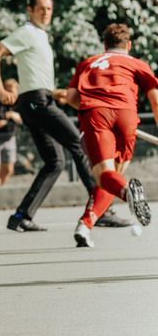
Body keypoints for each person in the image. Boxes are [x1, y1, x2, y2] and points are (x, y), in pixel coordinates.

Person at [0, 0, 130, 231]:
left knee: (55, 162)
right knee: (80, 146)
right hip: (36, 103)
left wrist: (54, 93)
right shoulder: (27, 32)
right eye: (41, 8)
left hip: (39, 100)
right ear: (30, 10)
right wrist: (0, 89)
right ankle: (101, 211)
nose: (46, 12)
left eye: (49, 8)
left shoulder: (40, 36)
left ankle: (21, 216)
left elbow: (35, 77)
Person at [67, 23, 156, 247]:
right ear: (129, 45)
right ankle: (85, 225)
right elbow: (155, 100)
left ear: (105, 45)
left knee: (105, 177)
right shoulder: (138, 63)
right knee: (113, 176)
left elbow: (71, 98)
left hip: (97, 114)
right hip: (127, 115)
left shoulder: (87, 63)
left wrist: (91, 105)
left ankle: (127, 193)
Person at [0, 78, 21, 186]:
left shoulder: (19, 102)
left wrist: (4, 120)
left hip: (9, 138)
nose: (9, 95)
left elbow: (21, 118)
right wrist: (8, 115)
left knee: (9, 170)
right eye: (7, 91)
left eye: (12, 92)